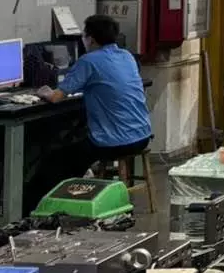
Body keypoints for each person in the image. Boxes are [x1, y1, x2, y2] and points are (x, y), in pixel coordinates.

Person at [39, 14, 153, 176]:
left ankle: (70, 189)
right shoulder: (127, 56)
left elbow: (56, 97)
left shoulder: (88, 61)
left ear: (91, 39)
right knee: (79, 138)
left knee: (55, 159)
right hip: (142, 137)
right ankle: (87, 180)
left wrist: (43, 92)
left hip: (114, 142)